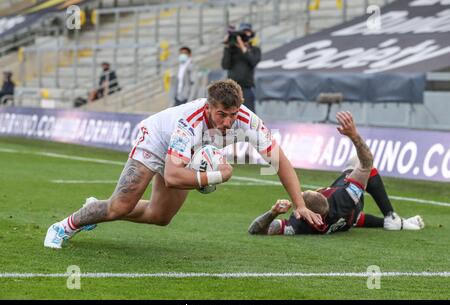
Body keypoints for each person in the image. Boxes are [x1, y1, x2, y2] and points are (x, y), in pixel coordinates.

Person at [44, 79, 323, 249]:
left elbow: (280, 161)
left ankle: (97, 208)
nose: (227, 122)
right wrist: (218, 176)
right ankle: (63, 226)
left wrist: (299, 203)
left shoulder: (248, 122)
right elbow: (174, 175)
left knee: (160, 216)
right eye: (221, 114)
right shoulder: (188, 122)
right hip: (156, 139)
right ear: (208, 108)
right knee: (121, 206)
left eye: (232, 115)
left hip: (191, 153)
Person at [248, 111, 425, 236]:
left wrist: (273, 212)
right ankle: (392, 217)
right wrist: (354, 135)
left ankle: (398, 223)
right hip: (350, 209)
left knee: (353, 218)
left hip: (348, 220)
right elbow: (367, 162)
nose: (298, 197)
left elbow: (255, 229)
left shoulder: (299, 226)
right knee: (359, 162)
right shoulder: (343, 198)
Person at [221, 23, 261, 114]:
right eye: (243, 33)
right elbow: (225, 65)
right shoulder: (232, 49)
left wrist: (243, 46)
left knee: (249, 114)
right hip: (232, 88)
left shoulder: (255, 49)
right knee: (230, 113)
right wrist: (227, 47)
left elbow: (253, 61)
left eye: (247, 32)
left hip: (246, 87)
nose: (245, 35)